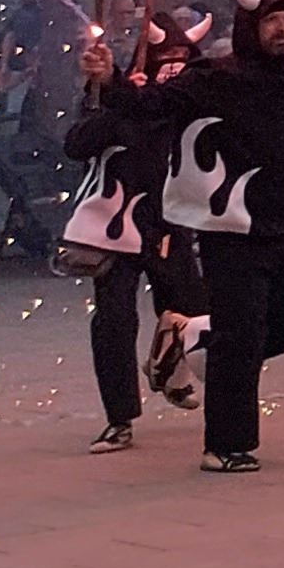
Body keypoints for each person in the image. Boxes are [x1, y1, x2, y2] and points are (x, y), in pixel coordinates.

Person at [144, 0, 284, 472]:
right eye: (272, 19)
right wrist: (110, 82)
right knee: (243, 336)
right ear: (252, 25)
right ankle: (225, 445)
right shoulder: (216, 77)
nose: (281, 28)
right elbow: (153, 105)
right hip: (231, 225)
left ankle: (191, 339)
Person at [60, 28, 207, 451]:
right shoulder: (110, 96)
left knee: (193, 310)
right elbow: (77, 144)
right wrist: (115, 103)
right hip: (115, 224)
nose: (175, 66)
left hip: (167, 222)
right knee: (114, 321)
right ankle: (119, 417)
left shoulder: (183, 101)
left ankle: (169, 371)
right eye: (168, 58)